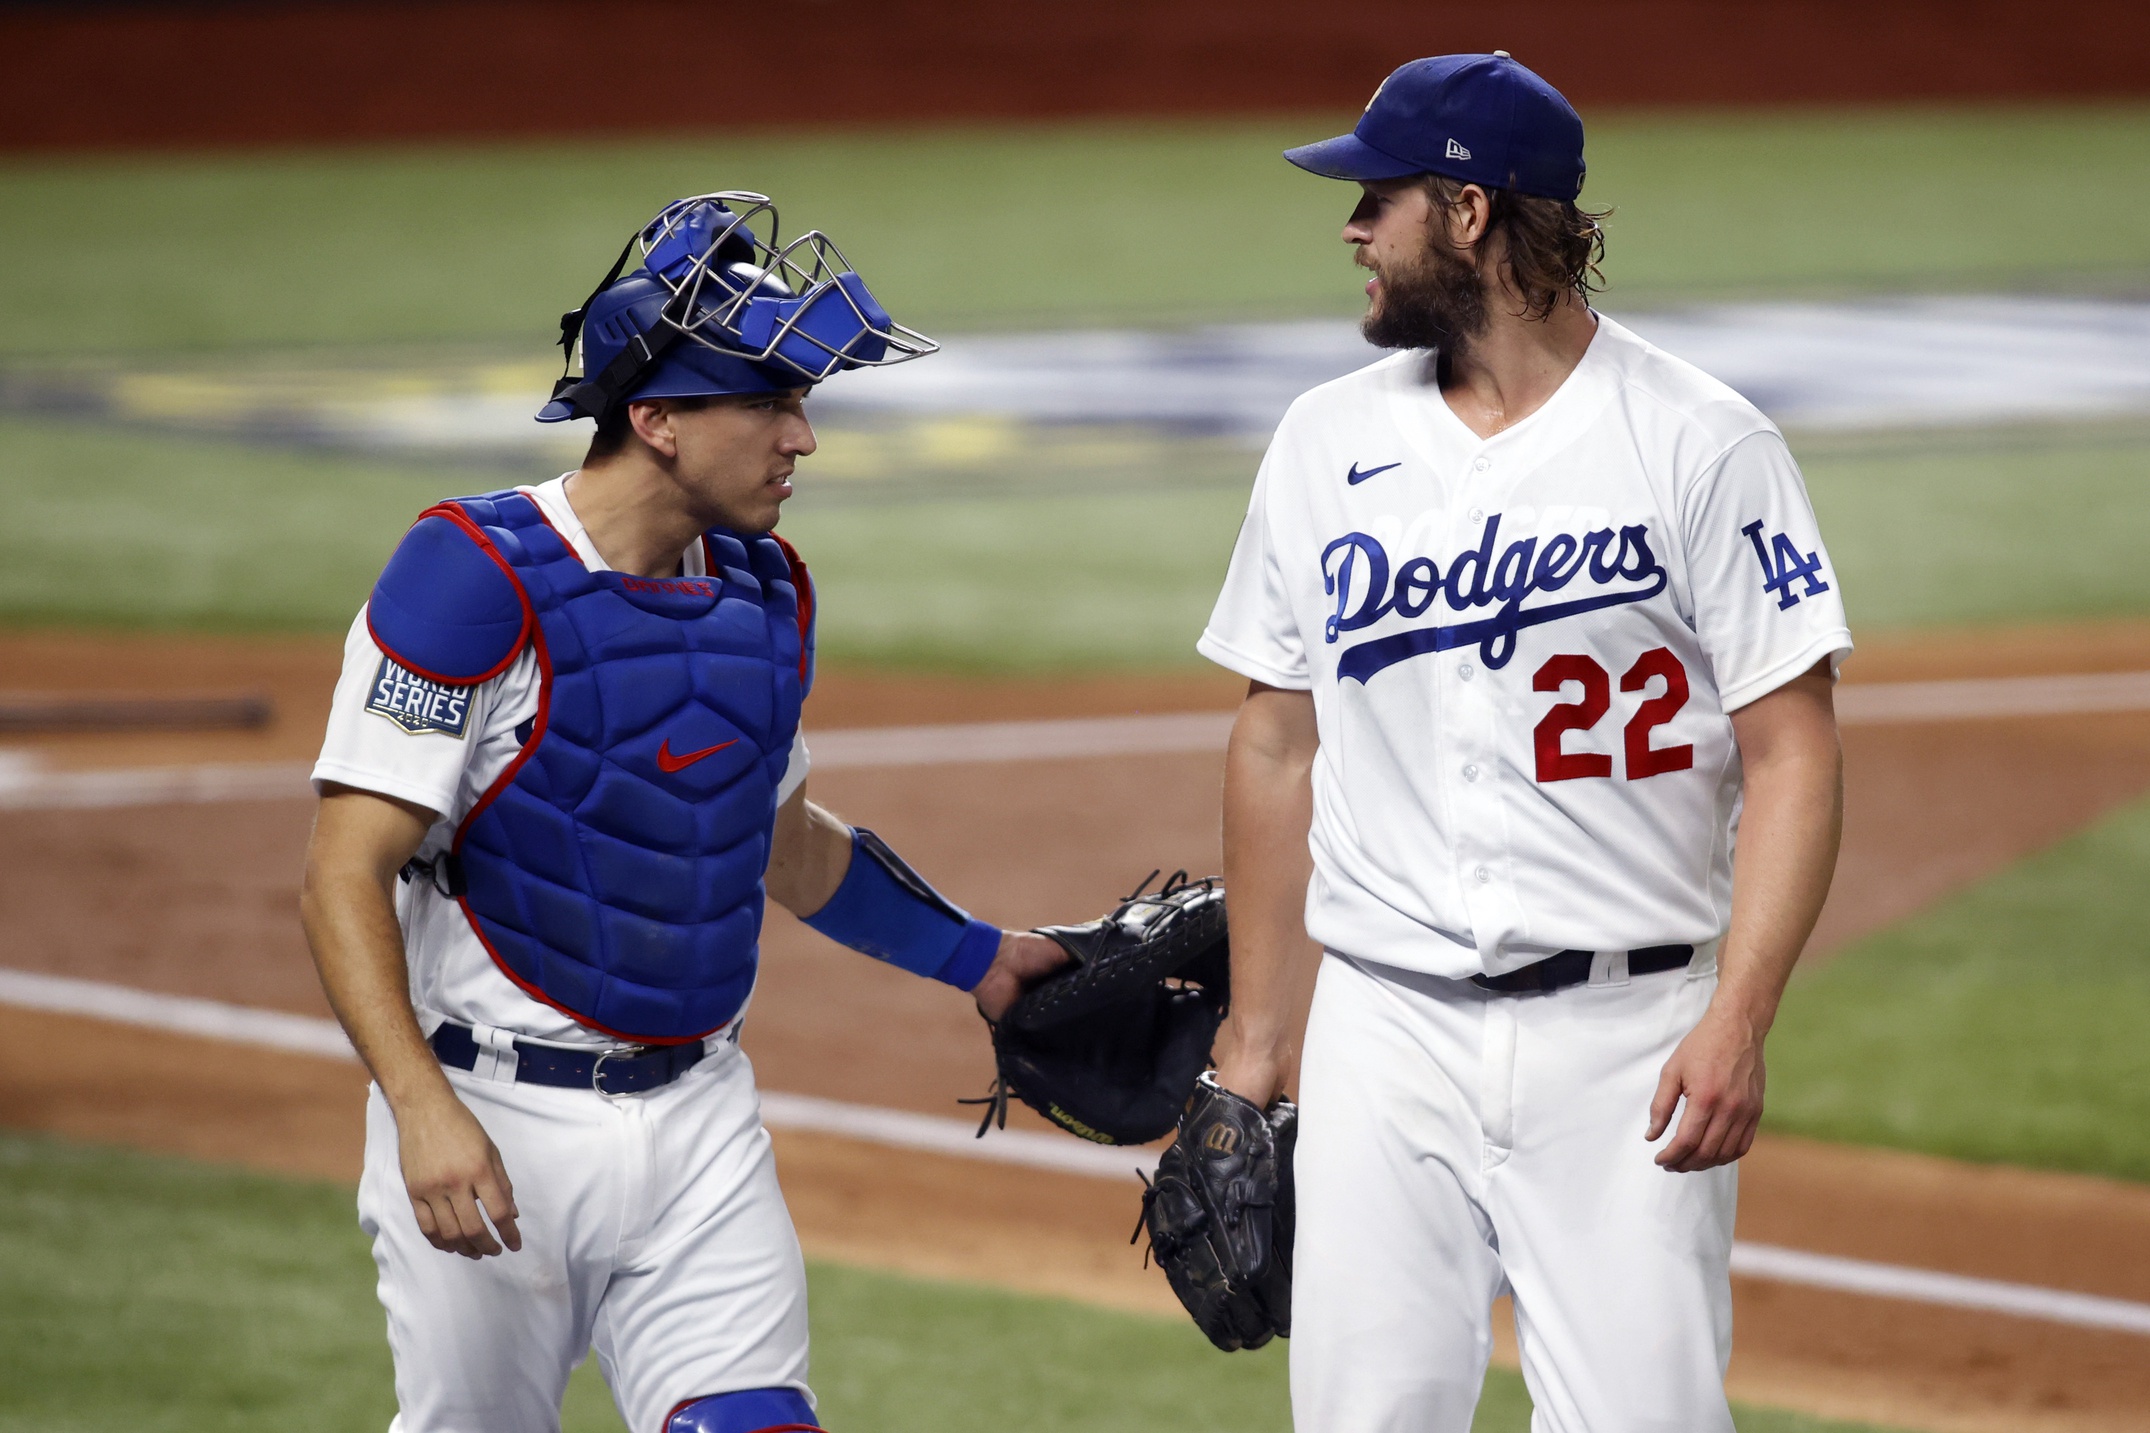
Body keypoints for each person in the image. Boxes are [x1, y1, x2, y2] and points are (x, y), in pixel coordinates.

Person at [299, 192, 1065, 1433]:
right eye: (766, 403)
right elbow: (343, 873)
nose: (801, 438)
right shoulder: (470, 575)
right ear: (653, 420)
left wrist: (981, 958)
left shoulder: (760, 590)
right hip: (490, 1115)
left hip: (701, 1116)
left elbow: (787, 844)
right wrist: (420, 1111)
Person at [1197, 55, 1850, 1431]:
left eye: (1378, 198)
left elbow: (1791, 749)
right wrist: (1252, 1046)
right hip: (1383, 1027)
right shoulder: (1322, 444)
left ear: (1471, 213)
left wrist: (1739, 1016)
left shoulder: (1700, 443)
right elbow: (1272, 744)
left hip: (1631, 1040)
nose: (1352, 229)